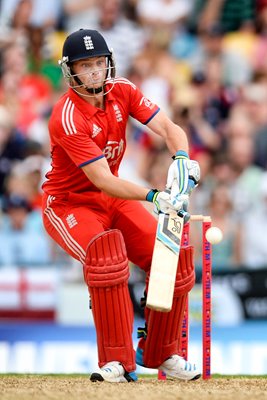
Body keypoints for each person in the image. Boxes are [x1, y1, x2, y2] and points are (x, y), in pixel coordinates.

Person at [41, 28, 201, 383]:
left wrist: (182, 159)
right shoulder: (67, 117)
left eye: (100, 62)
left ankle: (160, 351)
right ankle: (116, 361)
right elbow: (103, 179)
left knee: (170, 255)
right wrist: (155, 196)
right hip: (69, 204)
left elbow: (169, 127)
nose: (96, 71)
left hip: (111, 200)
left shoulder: (122, 90)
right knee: (106, 257)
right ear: (71, 71)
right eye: (87, 65)